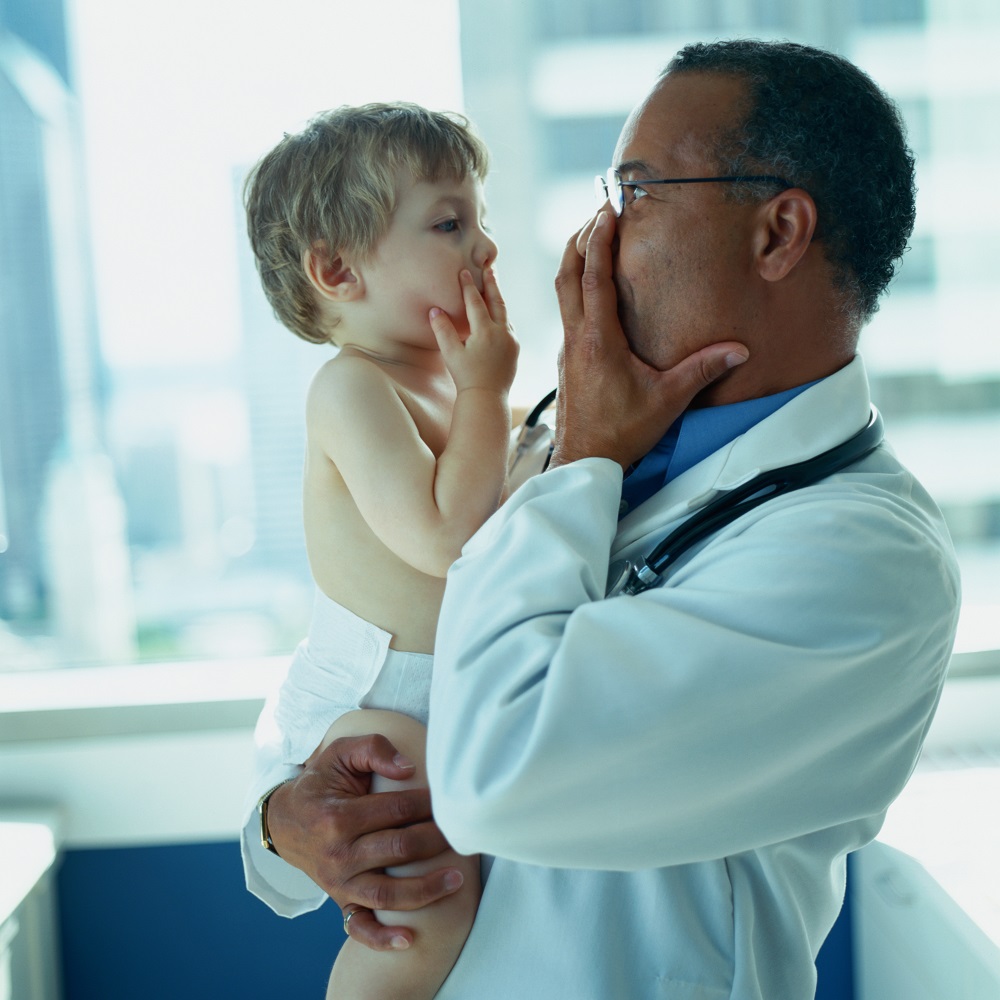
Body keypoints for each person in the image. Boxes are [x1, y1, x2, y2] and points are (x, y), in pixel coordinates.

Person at [243, 41, 961, 999]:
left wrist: (585, 461)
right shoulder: (550, 440)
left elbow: (493, 778)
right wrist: (285, 827)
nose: (600, 233)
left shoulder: (862, 559)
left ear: (777, 233)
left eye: (638, 192)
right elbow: (358, 697)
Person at [240, 103, 518, 999]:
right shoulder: (352, 389)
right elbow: (447, 539)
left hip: (442, 695)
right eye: (450, 223)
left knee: (447, 908)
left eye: (479, 217)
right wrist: (488, 392)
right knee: (421, 924)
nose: (486, 248)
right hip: (379, 704)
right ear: (337, 270)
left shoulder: (450, 383)